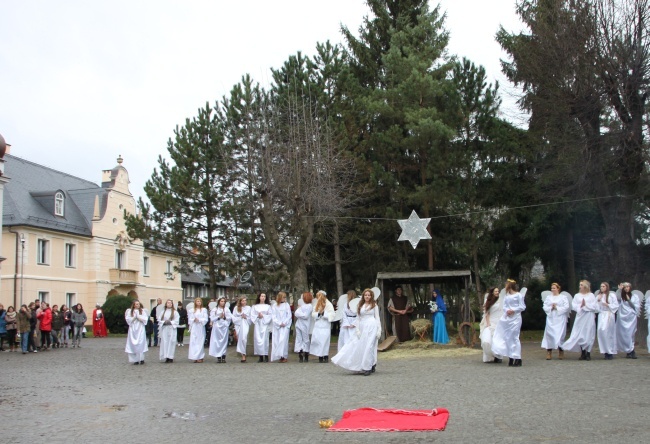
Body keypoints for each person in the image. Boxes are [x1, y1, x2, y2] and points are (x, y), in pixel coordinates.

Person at [332, 288, 381, 376]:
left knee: (369, 346)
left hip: (372, 326)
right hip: (362, 327)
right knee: (361, 346)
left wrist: (379, 330)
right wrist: (357, 329)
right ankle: (367, 364)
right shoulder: (360, 305)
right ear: (363, 296)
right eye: (366, 295)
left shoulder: (374, 305)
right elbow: (358, 318)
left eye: (369, 295)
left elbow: (377, 318)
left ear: (371, 296)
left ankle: (368, 367)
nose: (367, 296)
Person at [491, 279, 526, 367]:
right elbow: (505, 306)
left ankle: (517, 358)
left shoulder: (518, 295)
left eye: (506, 285)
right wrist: (507, 311)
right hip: (508, 318)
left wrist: (513, 310)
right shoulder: (507, 296)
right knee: (507, 337)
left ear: (510, 286)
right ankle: (511, 357)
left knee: (514, 337)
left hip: (516, 318)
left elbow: (522, 306)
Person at [562, 280, 597, 360]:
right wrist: (581, 306)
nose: (580, 286)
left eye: (581, 285)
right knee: (581, 334)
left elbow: (594, 306)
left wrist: (586, 305)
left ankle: (588, 353)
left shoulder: (591, 295)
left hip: (589, 316)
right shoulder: (577, 295)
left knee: (589, 334)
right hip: (581, 316)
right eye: (579, 285)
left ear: (585, 286)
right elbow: (574, 306)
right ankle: (583, 353)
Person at [541, 283, 570, 360]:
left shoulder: (563, 297)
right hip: (551, 318)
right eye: (552, 288)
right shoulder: (548, 297)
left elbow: (566, 307)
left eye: (554, 288)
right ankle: (549, 351)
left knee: (560, 335)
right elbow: (545, 306)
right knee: (549, 334)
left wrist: (557, 307)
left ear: (558, 289)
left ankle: (561, 351)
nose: (552, 289)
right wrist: (551, 307)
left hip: (560, 318)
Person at [616, 282, 640, 359]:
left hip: (631, 317)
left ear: (630, 288)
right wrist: (619, 290)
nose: (626, 288)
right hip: (622, 318)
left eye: (628, 287)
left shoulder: (634, 296)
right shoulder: (621, 296)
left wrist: (629, 300)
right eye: (625, 287)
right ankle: (629, 351)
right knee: (624, 334)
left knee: (630, 334)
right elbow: (616, 298)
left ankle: (631, 350)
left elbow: (635, 307)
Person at [595, 282, 619, 360]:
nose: (602, 288)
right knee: (601, 331)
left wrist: (608, 305)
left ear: (607, 287)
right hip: (602, 315)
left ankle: (610, 351)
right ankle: (605, 350)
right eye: (601, 286)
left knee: (609, 332)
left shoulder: (611, 295)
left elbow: (616, 305)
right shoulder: (599, 296)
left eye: (603, 286)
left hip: (609, 314)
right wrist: (598, 301)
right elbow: (595, 308)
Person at [310, 291, 335, 363]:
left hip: (325, 325)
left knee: (324, 341)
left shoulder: (329, 304)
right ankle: (320, 356)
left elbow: (332, 315)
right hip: (318, 325)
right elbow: (313, 314)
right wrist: (318, 313)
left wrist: (324, 313)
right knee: (318, 340)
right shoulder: (317, 304)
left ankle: (325, 355)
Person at [480, 287, 502, 363]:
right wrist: (488, 323)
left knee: (497, 339)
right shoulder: (488, 301)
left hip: (498, 321)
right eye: (496, 291)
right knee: (487, 338)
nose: (497, 292)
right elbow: (487, 313)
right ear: (492, 292)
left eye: (498, 291)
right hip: (490, 321)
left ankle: (498, 356)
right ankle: (489, 354)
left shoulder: (501, 300)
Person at [124, 300, 148, 365]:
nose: (138, 305)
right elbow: (128, 319)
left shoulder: (142, 311)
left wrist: (140, 318)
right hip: (133, 329)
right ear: (134, 305)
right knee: (133, 344)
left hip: (140, 328)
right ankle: (135, 359)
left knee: (141, 343)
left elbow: (145, 319)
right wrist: (134, 318)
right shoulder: (130, 311)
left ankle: (141, 358)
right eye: (136, 304)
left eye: (138, 304)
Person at [270, 291, 292, 362]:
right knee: (277, 340)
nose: (284, 299)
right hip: (278, 326)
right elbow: (273, 316)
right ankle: (278, 355)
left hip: (285, 325)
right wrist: (279, 323)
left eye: (285, 297)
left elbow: (289, 315)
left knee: (284, 340)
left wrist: (285, 323)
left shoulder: (287, 305)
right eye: (283, 297)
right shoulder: (275, 306)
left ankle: (284, 355)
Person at [250, 292, 272, 362]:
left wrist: (263, 316)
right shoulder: (255, 306)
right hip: (258, 324)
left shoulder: (268, 306)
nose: (263, 297)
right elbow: (252, 315)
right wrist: (257, 316)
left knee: (265, 340)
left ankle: (266, 355)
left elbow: (270, 315)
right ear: (259, 297)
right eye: (261, 296)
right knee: (258, 339)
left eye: (264, 296)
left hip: (265, 324)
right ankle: (260, 356)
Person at [209, 297, 231, 363]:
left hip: (224, 327)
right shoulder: (215, 309)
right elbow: (212, 318)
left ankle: (223, 356)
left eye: (224, 301)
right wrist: (218, 317)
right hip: (217, 327)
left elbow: (229, 318)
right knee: (217, 341)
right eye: (221, 301)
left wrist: (225, 318)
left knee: (224, 341)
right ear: (219, 302)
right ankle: (218, 356)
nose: (223, 302)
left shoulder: (226, 309)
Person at [294, 292, 313, 363]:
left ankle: (306, 354)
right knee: (299, 339)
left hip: (305, 325)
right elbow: (296, 313)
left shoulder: (310, 306)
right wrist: (300, 314)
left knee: (305, 339)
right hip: (299, 324)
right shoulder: (302, 305)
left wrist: (299, 314)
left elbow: (305, 316)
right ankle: (300, 353)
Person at [188, 298, 208, 363]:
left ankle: (200, 356)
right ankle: (194, 356)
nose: (199, 302)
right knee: (194, 341)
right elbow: (190, 319)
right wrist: (193, 319)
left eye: (200, 301)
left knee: (200, 341)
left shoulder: (203, 310)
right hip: (194, 327)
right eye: (197, 301)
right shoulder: (192, 310)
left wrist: (199, 320)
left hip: (200, 327)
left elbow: (205, 319)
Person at [232, 296, 252, 363]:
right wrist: (240, 317)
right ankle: (243, 355)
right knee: (240, 339)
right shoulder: (236, 308)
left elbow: (251, 318)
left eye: (245, 300)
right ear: (240, 301)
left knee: (243, 338)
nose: (244, 302)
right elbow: (233, 318)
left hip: (245, 325)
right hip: (238, 325)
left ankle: (243, 353)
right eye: (243, 300)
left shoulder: (249, 308)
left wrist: (245, 317)